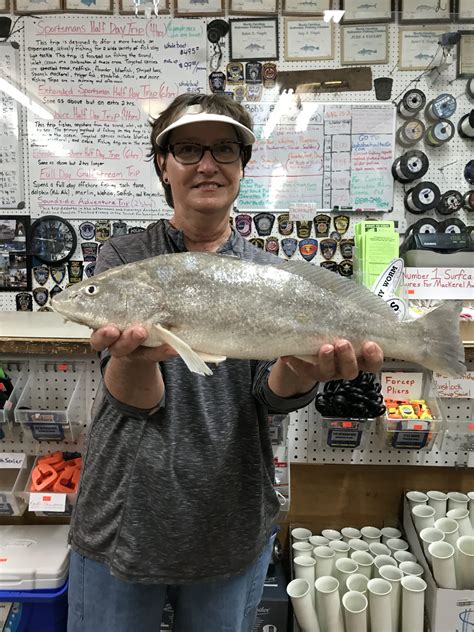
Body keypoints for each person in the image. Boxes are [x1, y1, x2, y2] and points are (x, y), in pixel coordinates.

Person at [67, 92, 384, 632]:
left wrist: (305, 368)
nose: (208, 165)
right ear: (163, 165)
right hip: (127, 511)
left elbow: (271, 396)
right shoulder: (125, 260)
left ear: (242, 166)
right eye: (188, 149)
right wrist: (139, 357)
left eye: (225, 150)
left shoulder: (273, 275)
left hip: (230, 513)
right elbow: (134, 400)